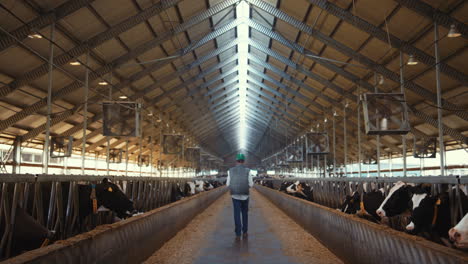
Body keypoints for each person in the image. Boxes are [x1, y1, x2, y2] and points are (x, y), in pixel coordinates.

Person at [226, 153, 253, 239]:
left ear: (236, 161)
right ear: (244, 161)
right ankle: (245, 231)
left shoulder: (230, 170)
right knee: (245, 214)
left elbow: (227, 184)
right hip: (245, 195)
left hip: (235, 196)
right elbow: (251, 184)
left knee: (236, 214)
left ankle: (238, 233)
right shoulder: (248, 170)